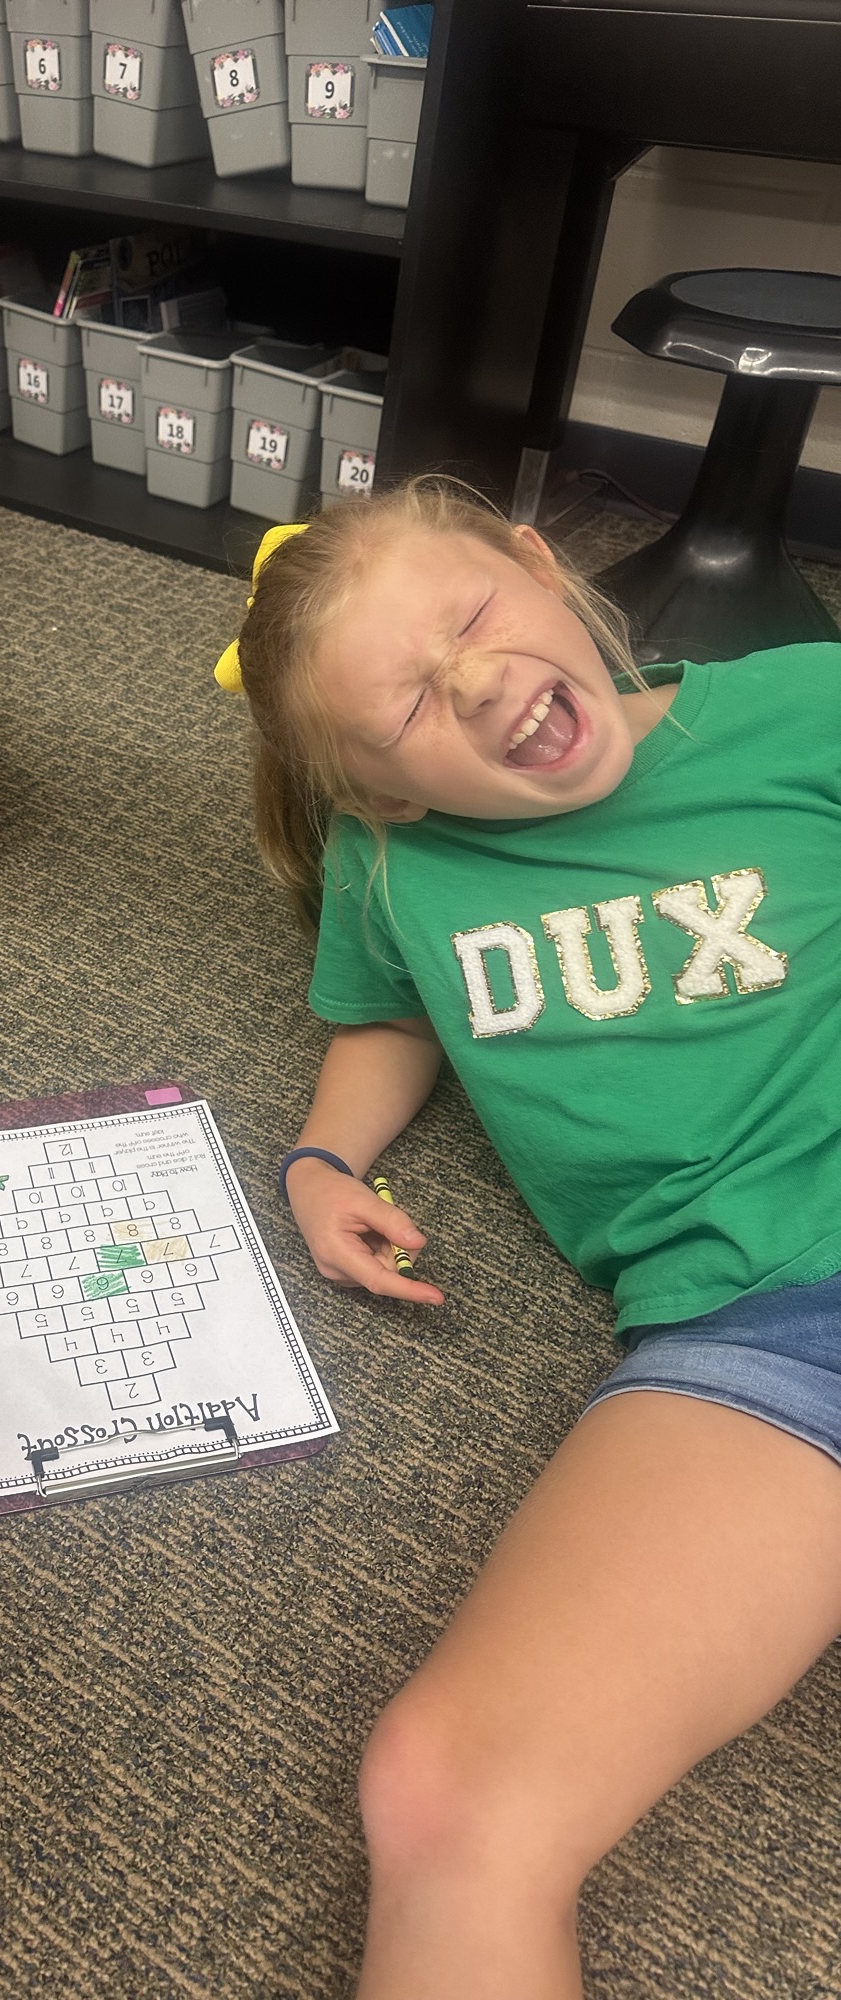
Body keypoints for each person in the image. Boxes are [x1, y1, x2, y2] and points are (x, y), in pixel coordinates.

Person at [226, 482, 841, 1998]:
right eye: (411, 704)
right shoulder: (393, 867)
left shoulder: (806, 704)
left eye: (476, 614)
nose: (482, 678)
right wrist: (319, 1160)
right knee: (442, 1795)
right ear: (380, 797)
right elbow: (391, 1014)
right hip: (762, 1328)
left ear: (541, 564)